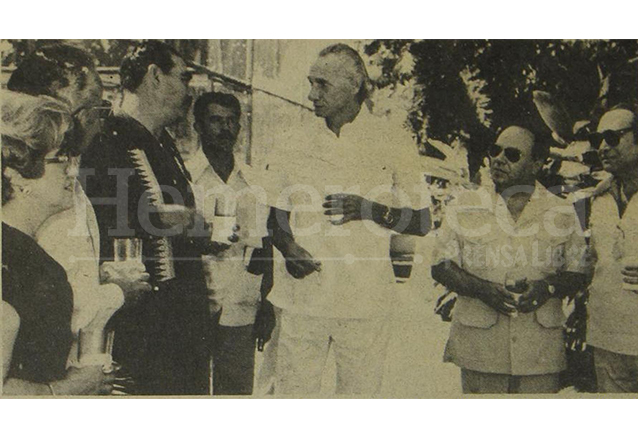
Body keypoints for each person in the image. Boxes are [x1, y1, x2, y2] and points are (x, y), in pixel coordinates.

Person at [265, 44, 430, 395]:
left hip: (364, 302)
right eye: (311, 83)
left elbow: (421, 221)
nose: (312, 94)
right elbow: (275, 217)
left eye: (322, 84)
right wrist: (288, 246)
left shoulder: (393, 141)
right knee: (294, 399)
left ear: (355, 84)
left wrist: (369, 210)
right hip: (303, 298)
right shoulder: (292, 141)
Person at [79, 40, 213, 395]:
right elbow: (107, 220)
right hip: (141, 326)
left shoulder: (163, 143)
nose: (188, 91)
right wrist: (178, 219)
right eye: (182, 78)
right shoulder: (109, 140)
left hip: (180, 321)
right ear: (154, 77)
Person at [7, 44, 151, 368]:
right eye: (95, 110)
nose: (98, 124)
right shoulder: (32, 187)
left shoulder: (66, 176)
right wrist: (117, 292)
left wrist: (96, 278)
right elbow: (40, 312)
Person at [431, 123, 588, 394]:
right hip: (480, 348)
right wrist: (482, 290)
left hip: (538, 351)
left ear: (537, 163)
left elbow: (579, 271)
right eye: (496, 150)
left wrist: (545, 288)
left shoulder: (560, 211)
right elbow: (440, 265)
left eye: (513, 154)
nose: (499, 159)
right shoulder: (465, 205)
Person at [1, 91, 114, 395]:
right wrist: (67, 389)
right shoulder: (11, 258)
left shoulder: (28, 254)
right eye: (59, 159)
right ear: (15, 174)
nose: (72, 170)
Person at [188, 91, 273, 395]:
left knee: (235, 395)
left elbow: (264, 247)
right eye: (215, 120)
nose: (225, 129)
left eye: (231, 121)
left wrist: (267, 304)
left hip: (241, 304)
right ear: (197, 125)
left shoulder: (254, 182)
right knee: (188, 392)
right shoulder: (184, 178)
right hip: (192, 305)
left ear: (240, 127)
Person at [586, 106, 638, 393]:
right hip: (608, 342)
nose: (603, 147)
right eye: (598, 140)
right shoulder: (600, 198)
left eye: (612, 137)